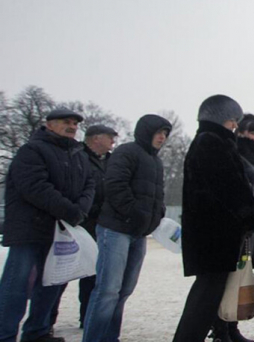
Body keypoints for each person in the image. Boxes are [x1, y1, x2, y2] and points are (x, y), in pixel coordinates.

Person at [0, 109, 94, 342]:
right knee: (17, 285)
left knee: (52, 284)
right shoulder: (32, 150)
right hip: (29, 231)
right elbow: (35, 187)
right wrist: (70, 211)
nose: (72, 126)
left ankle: (38, 332)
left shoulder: (79, 155)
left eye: (74, 123)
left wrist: (80, 210)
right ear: (49, 125)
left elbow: (89, 185)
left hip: (61, 233)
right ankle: (5, 333)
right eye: (66, 122)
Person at [173, 95, 254, 342]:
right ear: (224, 119)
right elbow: (230, 188)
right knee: (205, 298)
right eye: (233, 120)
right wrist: (252, 216)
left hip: (210, 235)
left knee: (207, 295)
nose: (235, 125)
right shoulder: (213, 143)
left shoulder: (208, 141)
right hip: (214, 235)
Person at [82, 114, 171, 342]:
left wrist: (156, 215)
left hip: (138, 233)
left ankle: (110, 337)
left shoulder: (156, 161)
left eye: (165, 134)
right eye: (159, 132)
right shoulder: (126, 152)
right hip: (115, 229)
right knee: (108, 290)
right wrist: (135, 213)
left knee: (124, 290)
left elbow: (157, 195)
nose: (162, 137)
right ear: (146, 131)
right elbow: (115, 185)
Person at [229, 112, 254, 342]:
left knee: (241, 274)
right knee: (231, 275)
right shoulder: (236, 154)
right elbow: (245, 188)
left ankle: (230, 325)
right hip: (240, 223)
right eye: (252, 132)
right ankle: (222, 325)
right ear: (241, 132)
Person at [75, 125, 117, 328]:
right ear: (96, 138)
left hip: (102, 223)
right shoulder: (78, 157)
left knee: (94, 272)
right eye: (110, 137)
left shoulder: (111, 161)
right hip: (78, 221)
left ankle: (87, 316)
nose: (113, 142)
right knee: (59, 273)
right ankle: (44, 321)